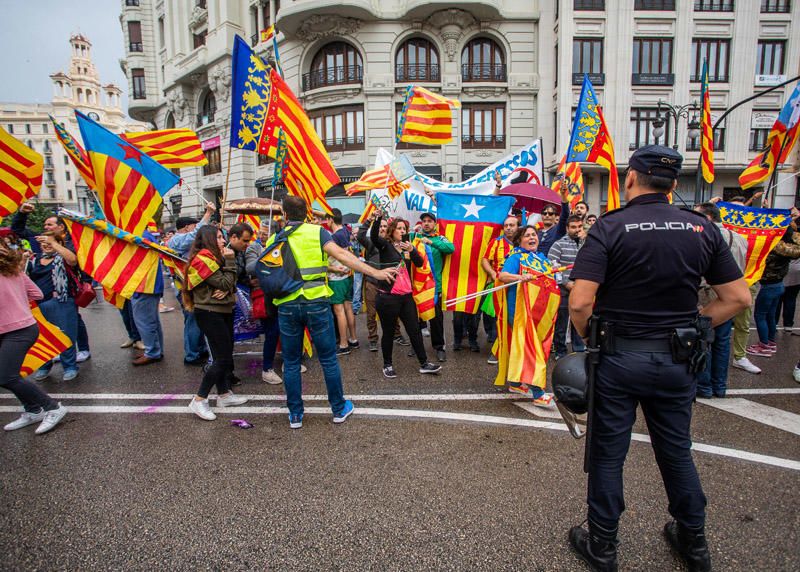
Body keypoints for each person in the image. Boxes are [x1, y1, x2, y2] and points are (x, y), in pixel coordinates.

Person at [567, 145, 750, 572]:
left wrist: (592, 338)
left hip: (618, 358)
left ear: (631, 177)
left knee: (609, 453)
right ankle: (694, 541)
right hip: (676, 361)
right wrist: (697, 329)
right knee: (676, 451)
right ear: (671, 184)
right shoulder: (701, 229)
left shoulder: (611, 227)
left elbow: (579, 304)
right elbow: (738, 297)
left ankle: (604, 545)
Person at [266, 197, 398, 429]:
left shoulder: (275, 238)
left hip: (287, 305)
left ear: (285, 215)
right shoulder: (317, 233)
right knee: (328, 359)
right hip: (316, 303)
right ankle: (338, 408)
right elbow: (344, 255)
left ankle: (295, 414)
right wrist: (375, 273)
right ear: (307, 213)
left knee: (291, 361)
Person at [0, 243, 68, 435]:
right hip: (19, 328)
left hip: (18, 331)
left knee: (6, 376)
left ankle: (53, 407)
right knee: (8, 374)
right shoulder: (15, 272)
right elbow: (37, 294)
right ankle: (32, 410)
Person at [184, 226, 248, 420]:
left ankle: (224, 394)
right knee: (220, 359)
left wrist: (228, 287)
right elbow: (226, 283)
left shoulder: (214, 259)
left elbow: (230, 283)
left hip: (223, 310)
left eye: (223, 237)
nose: (223, 241)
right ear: (210, 239)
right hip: (210, 312)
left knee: (226, 355)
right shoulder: (202, 260)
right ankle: (199, 399)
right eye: (219, 237)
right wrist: (229, 267)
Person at [12, 203, 92, 362]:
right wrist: (22, 214)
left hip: (66, 292)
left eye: (50, 224)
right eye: (44, 225)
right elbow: (18, 230)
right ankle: (55, 351)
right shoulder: (40, 240)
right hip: (43, 293)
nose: (45, 226)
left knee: (72, 321)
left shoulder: (72, 242)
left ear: (61, 228)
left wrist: (86, 282)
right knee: (50, 324)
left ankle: (82, 349)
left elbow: (74, 261)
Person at [371, 215, 442, 379]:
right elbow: (374, 236)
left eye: (404, 229)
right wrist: (377, 219)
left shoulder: (409, 247)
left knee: (414, 330)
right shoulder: (385, 246)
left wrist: (412, 250)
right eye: (399, 228)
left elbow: (419, 263)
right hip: (388, 297)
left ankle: (424, 364)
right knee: (388, 332)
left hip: (406, 297)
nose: (403, 231)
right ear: (392, 231)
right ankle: (387, 364)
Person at [694, 202, 748, 398]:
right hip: (733, 295)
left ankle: (704, 386)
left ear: (707, 217)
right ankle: (720, 386)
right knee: (723, 342)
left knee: (704, 339)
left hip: (710, 294)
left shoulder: (704, 236)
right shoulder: (741, 239)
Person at [498, 225, 555, 406]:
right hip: (520, 312)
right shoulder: (516, 257)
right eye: (527, 235)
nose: (532, 237)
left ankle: (515, 383)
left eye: (534, 235)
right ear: (519, 240)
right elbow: (503, 275)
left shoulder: (542, 258)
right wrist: (520, 277)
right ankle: (538, 393)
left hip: (538, 310)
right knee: (531, 348)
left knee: (526, 347)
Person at [26, 232, 80, 382]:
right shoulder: (34, 259)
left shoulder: (62, 257)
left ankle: (69, 366)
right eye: (43, 242)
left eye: (49, 242)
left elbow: (73, 260)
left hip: (61, 302)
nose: (46, 244)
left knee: (66, 335)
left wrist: (54, 243)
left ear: (59, 243)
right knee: (41, 336)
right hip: (38, 305)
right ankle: (44, 365)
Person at [168, 202, 216, 366]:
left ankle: (199, 349)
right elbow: (194, 236)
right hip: (185, 287)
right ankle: (192, 354)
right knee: (193, 319)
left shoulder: (183, 239)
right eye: (195, 226)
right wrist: (208, 214)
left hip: (191, 285)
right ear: (187, 227)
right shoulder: (176, 240)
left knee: (197, 319)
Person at [746, 227, 800, 358]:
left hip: (768, 287)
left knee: (760, 315)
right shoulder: (787, 248)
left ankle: (764, 345)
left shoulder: (773, 246)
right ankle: (770, 342)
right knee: (770, 315)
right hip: (779, 284)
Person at [357, 213, 405, 352]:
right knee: (371, 313)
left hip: (390, 284)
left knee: (394, 312)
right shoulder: (371, 242)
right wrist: (370, 220)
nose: (382, 228)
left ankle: (397, 335)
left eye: (385, 226)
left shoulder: (392, 244)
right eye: (380, 226)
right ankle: (373, 339)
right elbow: (360, 236)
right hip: (372, 283)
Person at [410, 211, 454, 362]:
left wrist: (431, 242)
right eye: (424, 221)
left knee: (436, 320)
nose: (426, 223)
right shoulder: (414, 238)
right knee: (415, 318)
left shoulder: (439, 238)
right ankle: (415, 346)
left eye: (430, 221)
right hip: (417, 285)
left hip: (435, 286)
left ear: (435, 224)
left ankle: (439, 347)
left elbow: (450, 248)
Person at [245, 223, 283, 384]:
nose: (262, 235)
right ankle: (267, 369)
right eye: (260, 232)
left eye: (265, 233)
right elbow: (250, 268)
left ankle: (288, 362)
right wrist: (268, 254)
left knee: (284, 330)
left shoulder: (280, 246)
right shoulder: (254, 248)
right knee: (271, 332)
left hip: (280, 293)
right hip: (264, 296)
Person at [480, 215, 519, 365]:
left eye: (512, 225)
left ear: (518, 227)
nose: (508, 228)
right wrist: (492, 273)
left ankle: (516, 351)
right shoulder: (496, 242)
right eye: (506, 225)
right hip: (499, 287)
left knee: (516, 320)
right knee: (500, 319)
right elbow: (485, 260)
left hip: (519, 288)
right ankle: (498, 351)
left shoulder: (523, 243)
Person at [548, 214, 586, 360]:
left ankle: (578, 350)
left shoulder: (587, 242)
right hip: (564, 290)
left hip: (582, 289)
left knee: (579, 321)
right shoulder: (558, 244)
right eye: (573, 227)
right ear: (567, 228)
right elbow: (552, 266)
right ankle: (560, 351)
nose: (577, 230)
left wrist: (585, 241)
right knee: (561, 323)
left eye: (580, 227)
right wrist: (566, 282)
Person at [327, 209, 358, 354]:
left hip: (337, 277)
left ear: (330, 220)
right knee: (348, 308)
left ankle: (344, 344)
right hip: (348, 276)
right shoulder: (346, 231)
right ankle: (353, 339)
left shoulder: (334, 237)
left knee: (339, 311)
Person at [778, 257, 800, 334]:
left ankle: (774, 323)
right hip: (797, 271)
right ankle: (788, 324)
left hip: (783, 269)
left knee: (778, 299)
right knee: (791, 299)